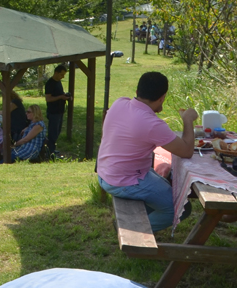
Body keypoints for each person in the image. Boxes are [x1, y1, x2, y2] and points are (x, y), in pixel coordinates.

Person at [97, 71, 198, 232]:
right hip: (124, 181)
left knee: (167, 186)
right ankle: (131, 230)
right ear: (162, 97)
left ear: (137, 92)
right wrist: (187, 119)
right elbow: (186, 151)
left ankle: (136, 221)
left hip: (105, 173)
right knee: (181, 208)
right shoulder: (152, 124)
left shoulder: (119, 103)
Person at [43, 64, 72, 157]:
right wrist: (61, 97)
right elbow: (48, 98)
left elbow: (59, 94)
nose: (62, 77)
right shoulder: (50, 83)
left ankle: (52, 149)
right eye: (61, 74)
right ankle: (49, 151)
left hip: (60, 111)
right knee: (53, 132)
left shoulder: (58, 82)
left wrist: (66, 96)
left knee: (57, 131)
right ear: (56, 73)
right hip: (53, 111)